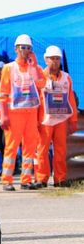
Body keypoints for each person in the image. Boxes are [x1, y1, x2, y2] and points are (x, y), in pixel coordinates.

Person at [0, 34, 46, 191]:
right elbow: (2, 93)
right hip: (14, 113)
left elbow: (42, 84)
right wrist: (3, 115)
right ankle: (7, 180)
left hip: (31, 112)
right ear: (16, 49)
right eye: (23, 48)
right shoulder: (8, 68)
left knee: (30, 147)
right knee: (11, 146)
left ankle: (26, 180)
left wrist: (34, 67)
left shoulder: (36, 68)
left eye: (29, 48)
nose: (26, 51)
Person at [35, 45, 78, 187]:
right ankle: (41, 179)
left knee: (61, 150)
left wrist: (73, 121)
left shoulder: (66, 78)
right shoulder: (39, 76)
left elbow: (70, 98)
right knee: (42, 150)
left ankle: (60, 179)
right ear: (46, 60)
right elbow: (35, 100)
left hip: (61, 120)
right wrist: (35, 120)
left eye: (57, 59)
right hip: (45, 120)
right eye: (51, 58)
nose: (54, 61)